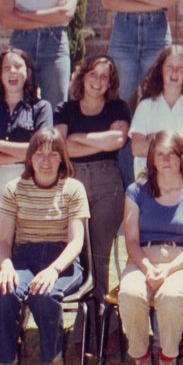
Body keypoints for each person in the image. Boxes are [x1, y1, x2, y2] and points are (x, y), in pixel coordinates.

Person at [0, 129, 89, 365]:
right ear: (29, 158)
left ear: (62, 159)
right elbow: (3, 242)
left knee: (45, 294)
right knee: (1, 292)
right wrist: (6, 267)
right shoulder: (14, 189)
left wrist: (53, 270)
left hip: (62, 259)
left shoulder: (73, 189)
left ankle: (52, 363)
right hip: (23, 258)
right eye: (39, 153)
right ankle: (7, 363)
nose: (46, 160)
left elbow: (76, 241)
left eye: (53, 154)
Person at [118, 131, 183, 365]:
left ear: (182, 158)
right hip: (143, 260)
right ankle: (142, 359)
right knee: (130, 293)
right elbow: (132, 241)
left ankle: (168, 361)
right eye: (160, 154)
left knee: (170, 295)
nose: (166, 159)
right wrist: (148, 268)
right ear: (152, 159)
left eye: (172, 153)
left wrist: (168, 269)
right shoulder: (136, 191)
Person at [54, 55, 130, 326]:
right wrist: (101, 142)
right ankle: (83, 325)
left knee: (100, 256)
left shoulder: (117, 108)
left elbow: (118, 140)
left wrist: (78, 139)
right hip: (73, 184)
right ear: (82, 76)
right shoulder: (66, 109)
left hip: (108, 183)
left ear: (110, 82)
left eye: (104, 76)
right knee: (79, 255)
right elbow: (60, 147)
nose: (98, 81)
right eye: (93, 74)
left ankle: (101, 326)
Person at [0, 49, 52, 266]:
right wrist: (22, 155)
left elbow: (44, 150)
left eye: (18, 67)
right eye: (6, 68)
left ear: (28, 72)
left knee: (28, 249)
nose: (12, 72)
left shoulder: (41, 108)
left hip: (30, 183)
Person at [129, 45, 183, 186]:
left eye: (180, 67)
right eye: (169, 66)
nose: (174, 72)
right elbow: (137, 147)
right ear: (160, 69)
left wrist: (154, 139)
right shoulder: (146, 105)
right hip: (153, 179)